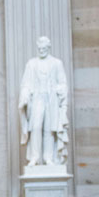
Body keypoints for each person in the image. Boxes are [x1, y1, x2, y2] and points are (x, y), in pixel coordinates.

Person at [18, 36, 69, 167]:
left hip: (51, 99)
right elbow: (26, 84)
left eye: (44, 48)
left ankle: (48, 157)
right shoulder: (31, 64)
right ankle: (35, 157)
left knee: (49, 129)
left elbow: (63, 82)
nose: (42, 50)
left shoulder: (57, 63)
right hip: (36, 99)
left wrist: (58, 91)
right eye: (40, 48)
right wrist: (24, 95)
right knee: (35, 127)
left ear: (48, 47)